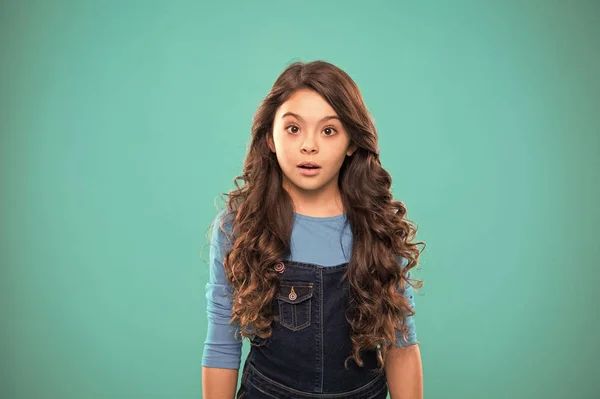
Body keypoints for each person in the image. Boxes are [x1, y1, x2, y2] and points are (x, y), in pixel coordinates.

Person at [201, 60, 425, 399]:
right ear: (270, 138)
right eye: (293, 129)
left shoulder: (378, 229)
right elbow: (222, 345)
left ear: (352, 143)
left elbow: (402, 346)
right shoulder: (238, 228)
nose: (310, 145)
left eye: (329, 130)